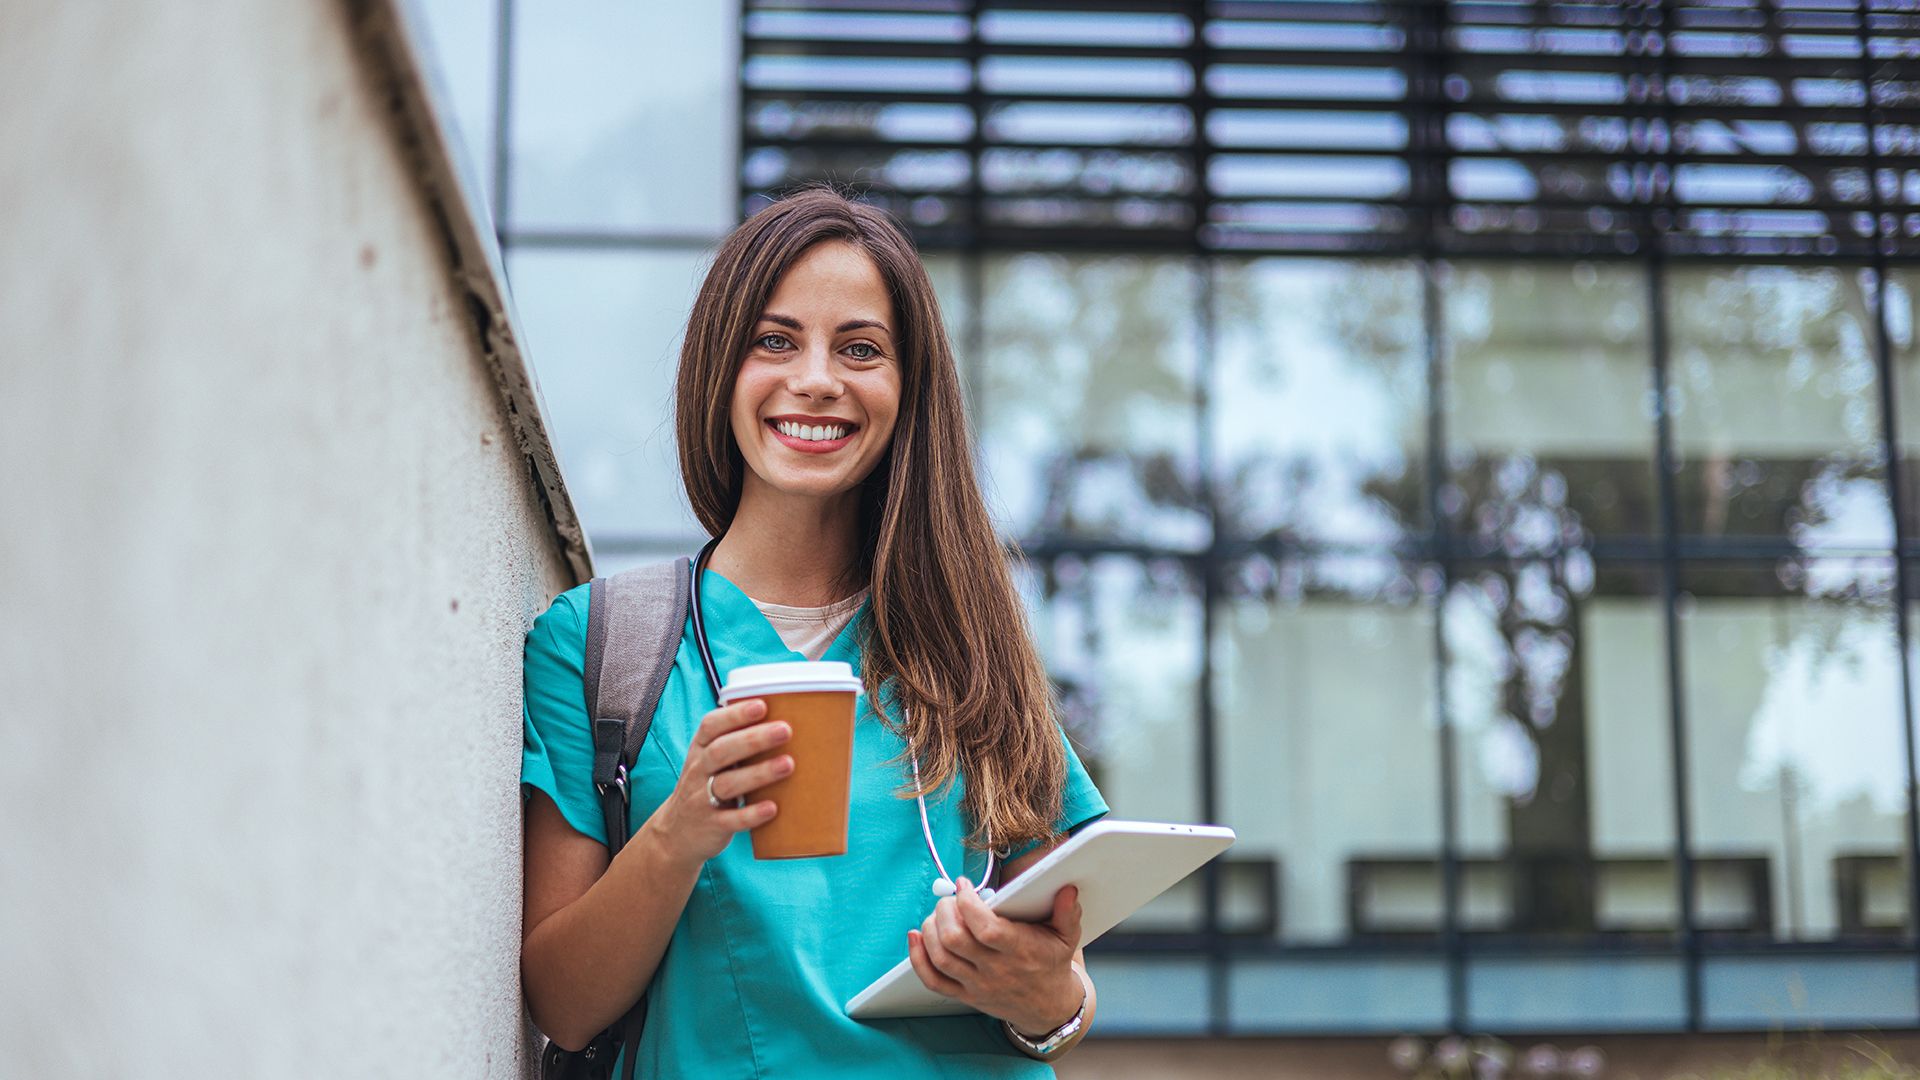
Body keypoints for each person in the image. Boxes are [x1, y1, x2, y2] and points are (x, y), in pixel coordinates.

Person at [519, 187, 1109, 1078]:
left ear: (909, 389)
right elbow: (563, 1006)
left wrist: (1045, 1001)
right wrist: (679, 831)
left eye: (861, 349)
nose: (818, 379)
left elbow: (1065, 982)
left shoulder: (972, 645)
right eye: (775, 339)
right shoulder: (601, 646)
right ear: (720, 364)